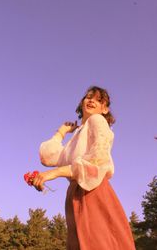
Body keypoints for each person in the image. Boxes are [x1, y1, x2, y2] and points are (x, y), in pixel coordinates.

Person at [33, 86, 136, 250]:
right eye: (88, 97)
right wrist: (61, 132)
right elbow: (47, 156)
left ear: (105, 109)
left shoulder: (97, 121)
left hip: (93, 190)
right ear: (82, 103)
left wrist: (56, 173)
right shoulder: (76, 137)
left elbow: (99, 159)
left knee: (97, 244)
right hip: (74, 196)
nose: (91, 100)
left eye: (98, 99)